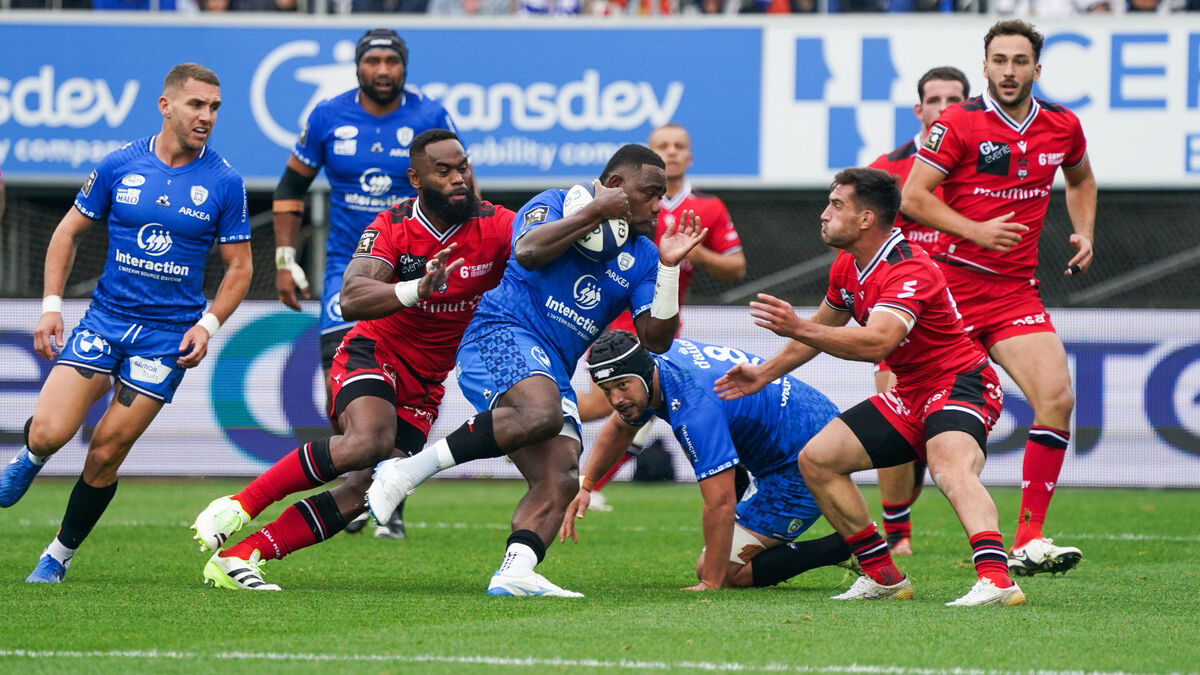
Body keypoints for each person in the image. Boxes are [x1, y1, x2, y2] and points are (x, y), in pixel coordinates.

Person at [366, 144, 707, 597]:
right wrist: (595, 212)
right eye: (650, 192)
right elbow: (526, 251)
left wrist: (668, 268)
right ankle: (403, 473)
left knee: (561, 473)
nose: (658, 204)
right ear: (616, 188)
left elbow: (657, 338)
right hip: (499, 333)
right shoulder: (553, 202)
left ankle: (517, 570)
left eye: (662, 195)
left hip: (552, 366)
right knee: (542, 413)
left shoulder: (644, 255)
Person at [191, 130, 513, 590]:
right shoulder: (392, 225)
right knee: (366, 442)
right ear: (416, 178)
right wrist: (416, 288)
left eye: (462, 167)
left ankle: (243, 555)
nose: (458, 177)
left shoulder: (497, 224)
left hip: (428, 380)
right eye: (443, 171)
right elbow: (353, 295)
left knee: (370, 490)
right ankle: (239, 506)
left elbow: (536, 244)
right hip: (374, 351)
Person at [716, 168, 1026, 607]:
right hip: (911, 391)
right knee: (818, 460)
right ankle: (883, 575)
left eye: (836, 205)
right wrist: (763, 373)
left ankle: (997, 580)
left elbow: (877, 342)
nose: (824, 215)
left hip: (960, 382)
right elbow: (822, 330)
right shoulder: (849, 265)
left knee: (949, 466)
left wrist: (800, 326)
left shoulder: (909, 269)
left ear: (865, 219)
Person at [0, 64, 252, 584]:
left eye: (215, 108)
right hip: (106, 320)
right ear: (166, 106)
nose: (206, 116)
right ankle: (31, 455)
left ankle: (58, 556)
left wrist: (207, 324)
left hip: (166, 339)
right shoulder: (120, 165)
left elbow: (240, 267)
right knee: (49, 433)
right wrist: (50, 305)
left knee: (106, 451)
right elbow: (67, 233)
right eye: (196, 105)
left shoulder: (225, 181)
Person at [901, 19, 1095, 577]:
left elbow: (1081, 180)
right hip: (950, 292)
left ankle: (1030, 537)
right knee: (912, 416)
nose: (1009, 71)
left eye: (1020, 61)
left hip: (1012, 293)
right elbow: (914, 196)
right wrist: (976, 230)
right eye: (999, 61)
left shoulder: (1062, 125)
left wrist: (1084, 231)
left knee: (1056, 398)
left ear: (1037, 68)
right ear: (984, 66)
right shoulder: (959, 123)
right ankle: (891, 528)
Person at [272, 28, 460, 539]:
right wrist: (286, 259)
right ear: (359, 66)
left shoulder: (431, 117)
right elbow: (291, 187)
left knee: (410, 387)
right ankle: (364, 480)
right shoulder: (328, 116)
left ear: (404, 67)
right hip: (348, 273)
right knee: (346, 382)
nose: (383, 70)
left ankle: (388, 489)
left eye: (391, 62)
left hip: (416, 272)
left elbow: (460, 187)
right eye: (373, 61)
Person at [562, 331, 854, 591]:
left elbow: (720, 502)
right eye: (606, 390)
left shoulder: (695, 408)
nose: (615, 399)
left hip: (804, 460)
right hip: (809, 421)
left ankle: (848, 546)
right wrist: (586, 484)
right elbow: (620, 426)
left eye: (622, 386)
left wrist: (711, 582)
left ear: (644, 372)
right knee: (714, 468)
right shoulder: (659, 358)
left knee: (724, 571)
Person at [574, 123, 747, 508]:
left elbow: (736, 267)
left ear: (690, 156)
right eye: (662, 146)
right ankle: (537, 423)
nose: (671, 151)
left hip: (661, 321)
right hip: (618, 314)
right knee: (616, 402)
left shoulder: (708, 208)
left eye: (679, 146)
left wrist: (697, 253)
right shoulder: (623, 200)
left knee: (644, 405)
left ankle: (585, 478)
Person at [866, 65, 969, 556]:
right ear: (919, 109)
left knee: (940, 437)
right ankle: (897, 532)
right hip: (903, 314)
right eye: (935, 99)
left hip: (965, 316)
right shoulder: (888, 168)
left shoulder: (977, 169)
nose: (944, 108)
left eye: (955, 99)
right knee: (892, 411)